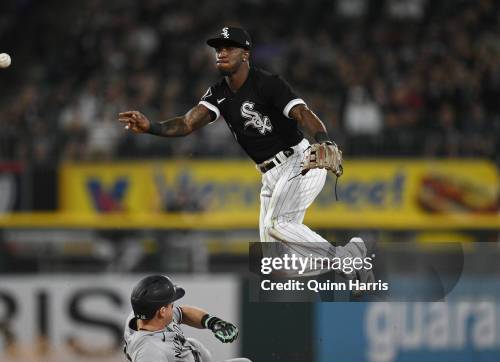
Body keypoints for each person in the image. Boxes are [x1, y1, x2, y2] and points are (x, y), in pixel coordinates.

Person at [118, 27, 371, 279]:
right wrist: (150, 126)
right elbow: (187, 123)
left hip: (299, 161)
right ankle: (350, 258)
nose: (221, 52)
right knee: (272, 263)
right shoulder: (218, 93)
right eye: (219, 48)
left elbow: (303, 113)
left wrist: (324, 140)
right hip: (270, 175)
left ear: (245, 54)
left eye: (229, 48)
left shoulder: (268, 84)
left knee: (278, 226)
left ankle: (348, 260)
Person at [123, 274, 254, 362]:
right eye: (171, 304)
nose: (173, 306)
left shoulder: (145, 316)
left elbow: (183, 313)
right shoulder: (148, 348)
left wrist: (212, 322)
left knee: (193, 343)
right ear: (162, 311)